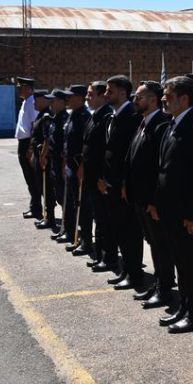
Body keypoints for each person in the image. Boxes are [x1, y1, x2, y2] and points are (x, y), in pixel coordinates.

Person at [155, 76, 193, 333]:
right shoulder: (171, 125)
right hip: (170, 211)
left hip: (187, 215)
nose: (163, 98)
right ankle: (186, 307)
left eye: (168, 94)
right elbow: (164, 170)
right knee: (180, 263)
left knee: (191, 266)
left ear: (184, 98)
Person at [123, 81, 173, 307]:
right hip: (140, 197)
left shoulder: (161, 125)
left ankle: (165, 289)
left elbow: (159, 166)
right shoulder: (143, 123)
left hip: (153, 200)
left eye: (139, 97)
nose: (135, 101)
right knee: (153, 243)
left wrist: (155, 200)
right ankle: (159, 283)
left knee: (161, 245)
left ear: (153, 99)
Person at [102, 75, 144, 291]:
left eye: (110, 91)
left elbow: (131, 155)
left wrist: (126, 183)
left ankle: (135, 274)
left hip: (124, 187)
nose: (106, 94)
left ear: (122, 93)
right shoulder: (114, 116)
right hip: (111, 184)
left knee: (130, 232)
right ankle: (126, 269)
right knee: (119, 230)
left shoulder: (132, 116)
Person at [83, 82, 117, 272]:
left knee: (105, 221)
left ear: (101, 96)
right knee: (100, 219)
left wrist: (102, 177)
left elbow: (106, 150)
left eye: (90, 94)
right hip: (91, 178)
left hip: (100, 180)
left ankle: (109, 257)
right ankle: (101, 255)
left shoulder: (105, 117)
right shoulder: (95, 115)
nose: (87, 97)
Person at [61, 85, 93, 255]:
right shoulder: (72, 115)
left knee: (83, 206)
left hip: (79, 168)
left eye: (71, 96)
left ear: (80, 98)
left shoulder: (84, 117)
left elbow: (86, 146)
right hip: (71, 166)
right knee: (75, 204)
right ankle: (79, 237)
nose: (68, 99)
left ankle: (87, 241)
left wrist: (82, 167)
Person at [14, 77, 42, 219]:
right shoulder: (25, 102)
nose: (18, 89)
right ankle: (35, 206)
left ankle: (37, 208)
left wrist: (30, 149)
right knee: (29, 178)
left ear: (29, 88)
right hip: (23, 142)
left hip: (27, 143)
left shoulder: (32, 103)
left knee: (32, 178)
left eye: (21, 87)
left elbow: (34, 127)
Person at [45, 89, 70, 239]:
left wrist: (63, 167)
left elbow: (65, 147)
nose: (50, 104)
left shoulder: (64, 119)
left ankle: (69, 230)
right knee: (60, 197)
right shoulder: (55, 118)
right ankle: (65, 228)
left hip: (61, 164)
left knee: (65, 199)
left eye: (53, 101)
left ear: (61, 101)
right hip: (54, 163)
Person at [30, 90, 55, 229]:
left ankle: (49, 218)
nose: (34, 103)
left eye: (36, 100)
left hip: (43, 157)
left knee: (47, 189)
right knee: (42, 187)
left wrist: (42, 156)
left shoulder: (46, 117)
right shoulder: (40, 115)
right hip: (38, 155)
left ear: (44, 101)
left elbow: (46, 138)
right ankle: (47, 216)